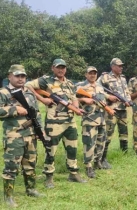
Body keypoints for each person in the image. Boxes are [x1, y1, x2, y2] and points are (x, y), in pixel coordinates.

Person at [25, 58, 86, 188]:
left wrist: (76, 108)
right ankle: (49, 176)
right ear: (53, 68)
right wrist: (42, 99)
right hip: (54, 122)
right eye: (58, 67)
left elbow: (74, 98)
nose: (61, 69)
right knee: (51, 150)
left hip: (70, 122)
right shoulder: (46, 80)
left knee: (72, 148)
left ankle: (73, 173)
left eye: (63, 67)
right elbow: (27, 85)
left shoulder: (70, 83)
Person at [0, 65, 44, 207]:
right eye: (17, 76)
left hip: (30, 135)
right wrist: (14, 109)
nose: (20, 79)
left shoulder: (29, 93)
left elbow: (36, 113)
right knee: (11, 167)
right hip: (14, 136)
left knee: (30, 164)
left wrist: (40, 130)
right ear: (10, 76)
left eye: (23, 76)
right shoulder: (4, 92)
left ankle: (31, 189)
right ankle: (8, 197)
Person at [76, 66, 111, 178]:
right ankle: (88, 166)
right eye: (90, 73)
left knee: (101, 142)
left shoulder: (100, 87)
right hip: (89, 119)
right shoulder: (80, 86)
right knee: (89, 143)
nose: (92, 75)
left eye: (94, 73)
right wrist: (83, 99)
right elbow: (70, 98)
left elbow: (103, 101)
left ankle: (97, 161)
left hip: (101, 119)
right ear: (86, 74)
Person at [97, 58, 131, 169]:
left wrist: (128, 100)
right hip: (111, 110)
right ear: (112, 66)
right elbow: (97, 89)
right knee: (108, 134)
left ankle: (124, 154)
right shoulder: (105, 77)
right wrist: (108, 97)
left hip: (122, 110)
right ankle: (102, 159)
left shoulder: (123, 78)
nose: (121, 67)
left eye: (122, 66)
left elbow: (126, 91)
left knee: (124, 133)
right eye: (119, 66)